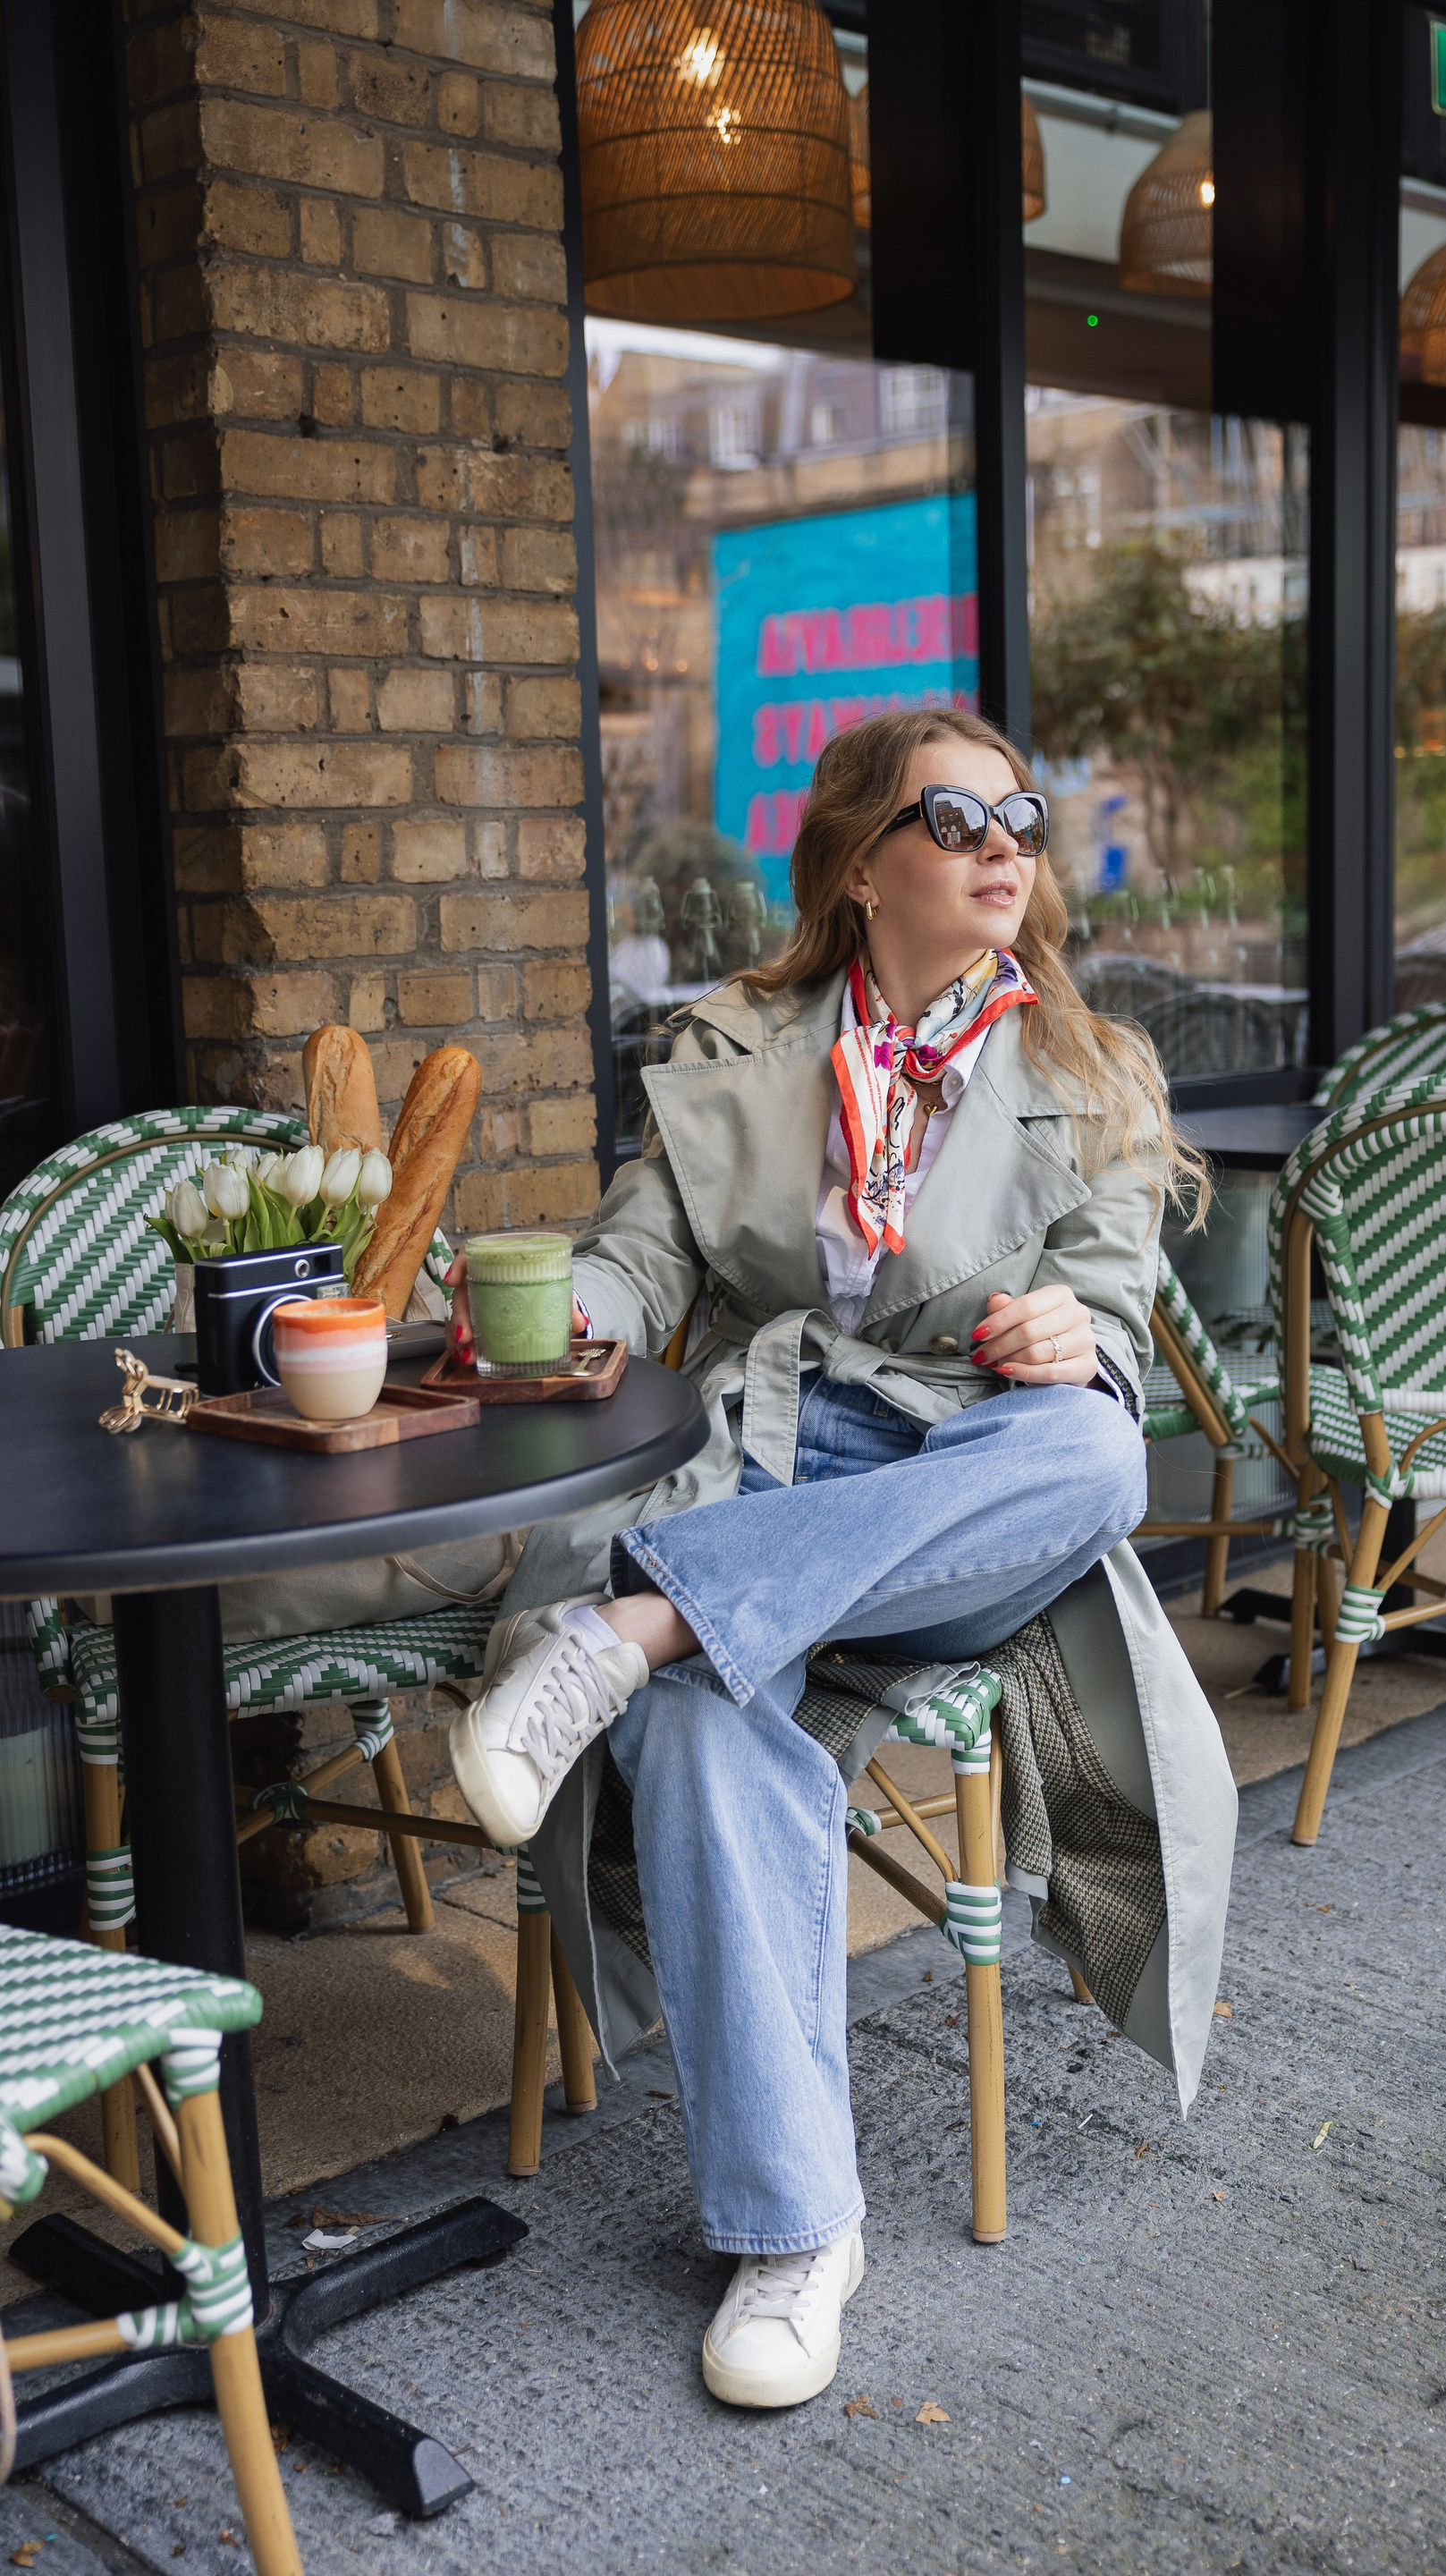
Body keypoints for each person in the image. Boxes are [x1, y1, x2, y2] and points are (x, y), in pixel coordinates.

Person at [441, 708, 1237, 2410]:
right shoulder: (737, 1045)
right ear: (863, 865)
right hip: (765, 1461)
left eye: (1020, 817)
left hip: (965, 1484)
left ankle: (631, 1628)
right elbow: (640, 1271)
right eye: (956, 821)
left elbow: (1113, 1319)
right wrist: (543, 1312)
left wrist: (1076, 1336)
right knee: (706, 1728)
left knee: (1100, 1451)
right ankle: (798, 2236)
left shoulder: (1089, 1072)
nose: (1003, 846)